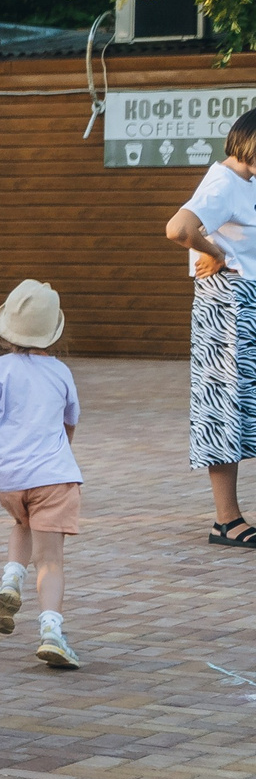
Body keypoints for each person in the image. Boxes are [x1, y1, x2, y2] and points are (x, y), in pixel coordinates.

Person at [0, 280, 86, 668]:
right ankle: (52, 631)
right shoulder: (61, 372)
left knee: (22, 522)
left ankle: (10, 580)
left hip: (9, 480)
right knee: (50, 560)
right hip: (53, 476)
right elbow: (69, 426)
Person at [163, 110, 256, 548]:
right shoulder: (224, 182)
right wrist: (214, 251)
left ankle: (230, 517)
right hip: (229, 306)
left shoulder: (245, 182)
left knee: (241, 412)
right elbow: (178, 228)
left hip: (245, 305)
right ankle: (226, 520)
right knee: (224, 407)